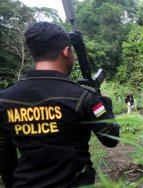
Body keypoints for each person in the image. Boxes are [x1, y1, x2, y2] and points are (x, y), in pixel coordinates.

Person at [0, 22, 119, 188]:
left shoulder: (4, 99)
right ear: (66, 52)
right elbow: (110, 138)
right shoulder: (84, 97)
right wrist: (106, 104)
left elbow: (4, 153)